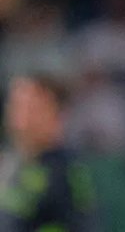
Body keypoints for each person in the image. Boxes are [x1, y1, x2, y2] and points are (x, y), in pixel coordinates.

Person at [0, 74, 98, 231]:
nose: (22, 116)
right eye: (16, 105)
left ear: (58, 115)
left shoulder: (67, 172)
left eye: (32, 107)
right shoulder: (9, 162)